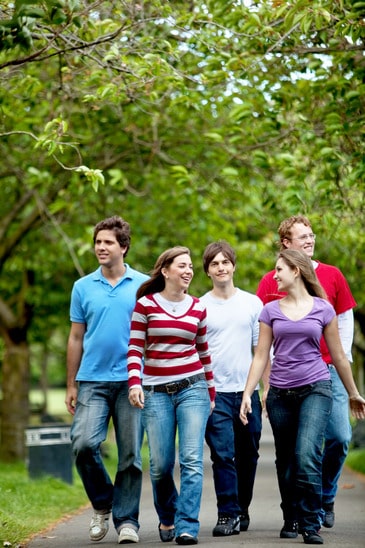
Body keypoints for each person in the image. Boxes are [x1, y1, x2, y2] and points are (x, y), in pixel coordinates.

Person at [240, 249, 365, 545]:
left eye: (279, 270)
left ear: (295, 271)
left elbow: (338, 355)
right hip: (281, 393)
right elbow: (261, 356)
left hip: (316, 387)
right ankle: (291, 516)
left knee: (307, 453)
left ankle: (311, 521)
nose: (275, 276)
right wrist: (249, 393)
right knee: (286, 459)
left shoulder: (323, 309)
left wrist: (353, 393)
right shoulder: (269, 311)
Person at [65, 215, 149, 545]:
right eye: (98, 242)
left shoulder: (143, 285)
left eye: (108, 242)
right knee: (83, 443)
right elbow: (75, 337)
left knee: (130, 454)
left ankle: (127, 521)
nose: (101, 247)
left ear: (123, 247)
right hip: (92, 380)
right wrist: (71, 383)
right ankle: (103, 502)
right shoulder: (82, 287)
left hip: (132, 381)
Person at [127, 246, 215, 546]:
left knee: (191, 459)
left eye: (191, 266)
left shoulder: (198, 307)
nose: (189, 270)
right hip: (155, 392)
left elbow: (203, 352)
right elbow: (135, 348)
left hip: (193, 388)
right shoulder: (146, 305)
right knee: (160, 464)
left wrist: (211, 392)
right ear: (165, 271)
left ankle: (187, 524)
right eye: (182, 265)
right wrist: (134, 383)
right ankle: (168, 514)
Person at [199, 241, 263, 537]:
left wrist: (262, 390)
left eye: (225, 262)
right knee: (222, 454)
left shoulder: (252, 304)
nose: (221, 267)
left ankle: (241, 507)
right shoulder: (199, 306)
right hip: (215, 394)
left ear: (233, 266)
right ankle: (227, 513)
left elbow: (260, 351)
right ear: (208, 271)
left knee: (248, 454)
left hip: (246, 391)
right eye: (215, 264)